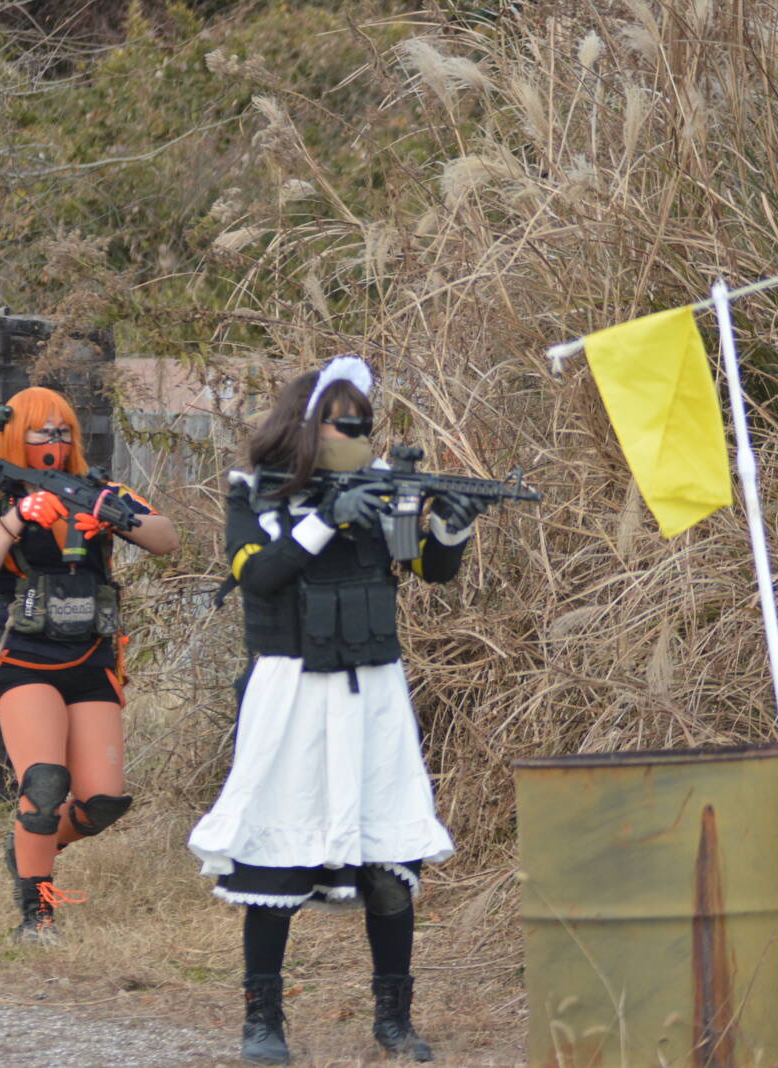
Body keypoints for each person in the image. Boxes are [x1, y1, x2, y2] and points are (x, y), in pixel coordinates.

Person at [189, 355, 492, 1064]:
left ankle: (395, 1022)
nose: (354, 435)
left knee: (389, 859)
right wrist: (326, 518)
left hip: (373, 691)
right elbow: (258, 574)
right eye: (339, 423)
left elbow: (427, 568)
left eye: (362, 424)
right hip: (290, 690)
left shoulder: (384, 487)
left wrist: (450, 528)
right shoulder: (252, 492)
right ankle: (262, 1022)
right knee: (275, 853)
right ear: (303, 423)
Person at [0, 385, 179, 944]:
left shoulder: (103, 489)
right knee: (43, 782)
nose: (55, 441)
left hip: (91, 655)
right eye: (43, 431)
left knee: (102, 801)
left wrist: (112, 515)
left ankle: (30, 844)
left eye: (63, 431)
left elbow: (167, 538)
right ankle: (37, 915)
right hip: (24, 658)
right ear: (16, 435)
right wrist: (17, 518)